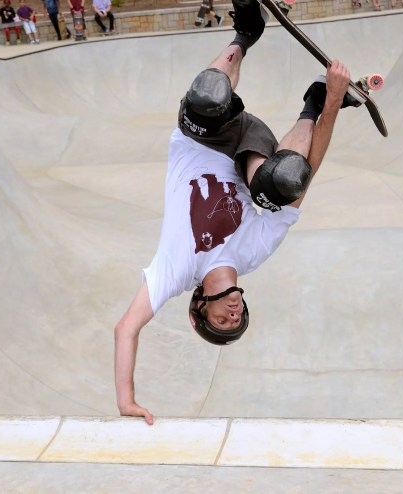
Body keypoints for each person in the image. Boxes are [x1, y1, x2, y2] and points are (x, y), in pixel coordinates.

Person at [113, 0, 354, 425]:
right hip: (251, 154)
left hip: (202, 138)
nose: (233, 316)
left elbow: (126, 329)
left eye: (222, 322)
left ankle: (246, 32)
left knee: (208, 94)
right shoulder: (253, 253)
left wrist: (126, 401)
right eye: (237, 322)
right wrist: (332, 102)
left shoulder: (175, 271)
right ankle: (313, 98)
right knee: (285, 183)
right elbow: (306, 178)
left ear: (198, 309)